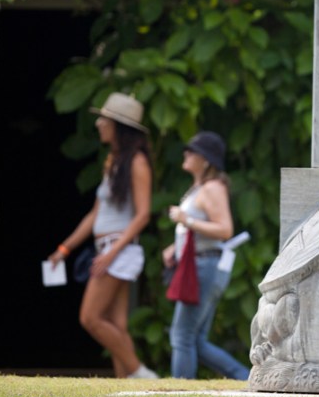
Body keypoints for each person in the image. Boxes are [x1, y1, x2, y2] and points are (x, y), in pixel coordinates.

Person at [48, 92, 158, 379]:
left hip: (118, 250)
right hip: (109, 249)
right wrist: (64, 248)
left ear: (119, 126)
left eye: (104, 119)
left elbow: (143, 215)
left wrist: (111, 254)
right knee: (116, 325)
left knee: (90, 318)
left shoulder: (137, 163)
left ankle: (139, 374)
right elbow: (94, 215)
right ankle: (128, 388)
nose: (98, 123)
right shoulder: (113, 162)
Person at [163, 131, 250, 380]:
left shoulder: (212, 187)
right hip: (200, 264)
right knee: (196, 340)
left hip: (205, 267)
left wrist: (186, 219)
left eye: (192, 151)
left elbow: (224, 229)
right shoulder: (200, 187)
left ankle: (180, 392)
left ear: (207, 160)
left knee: (181, 336)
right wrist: (175, 248)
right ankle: (244, 378)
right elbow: (198, 230)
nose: (186, 154)